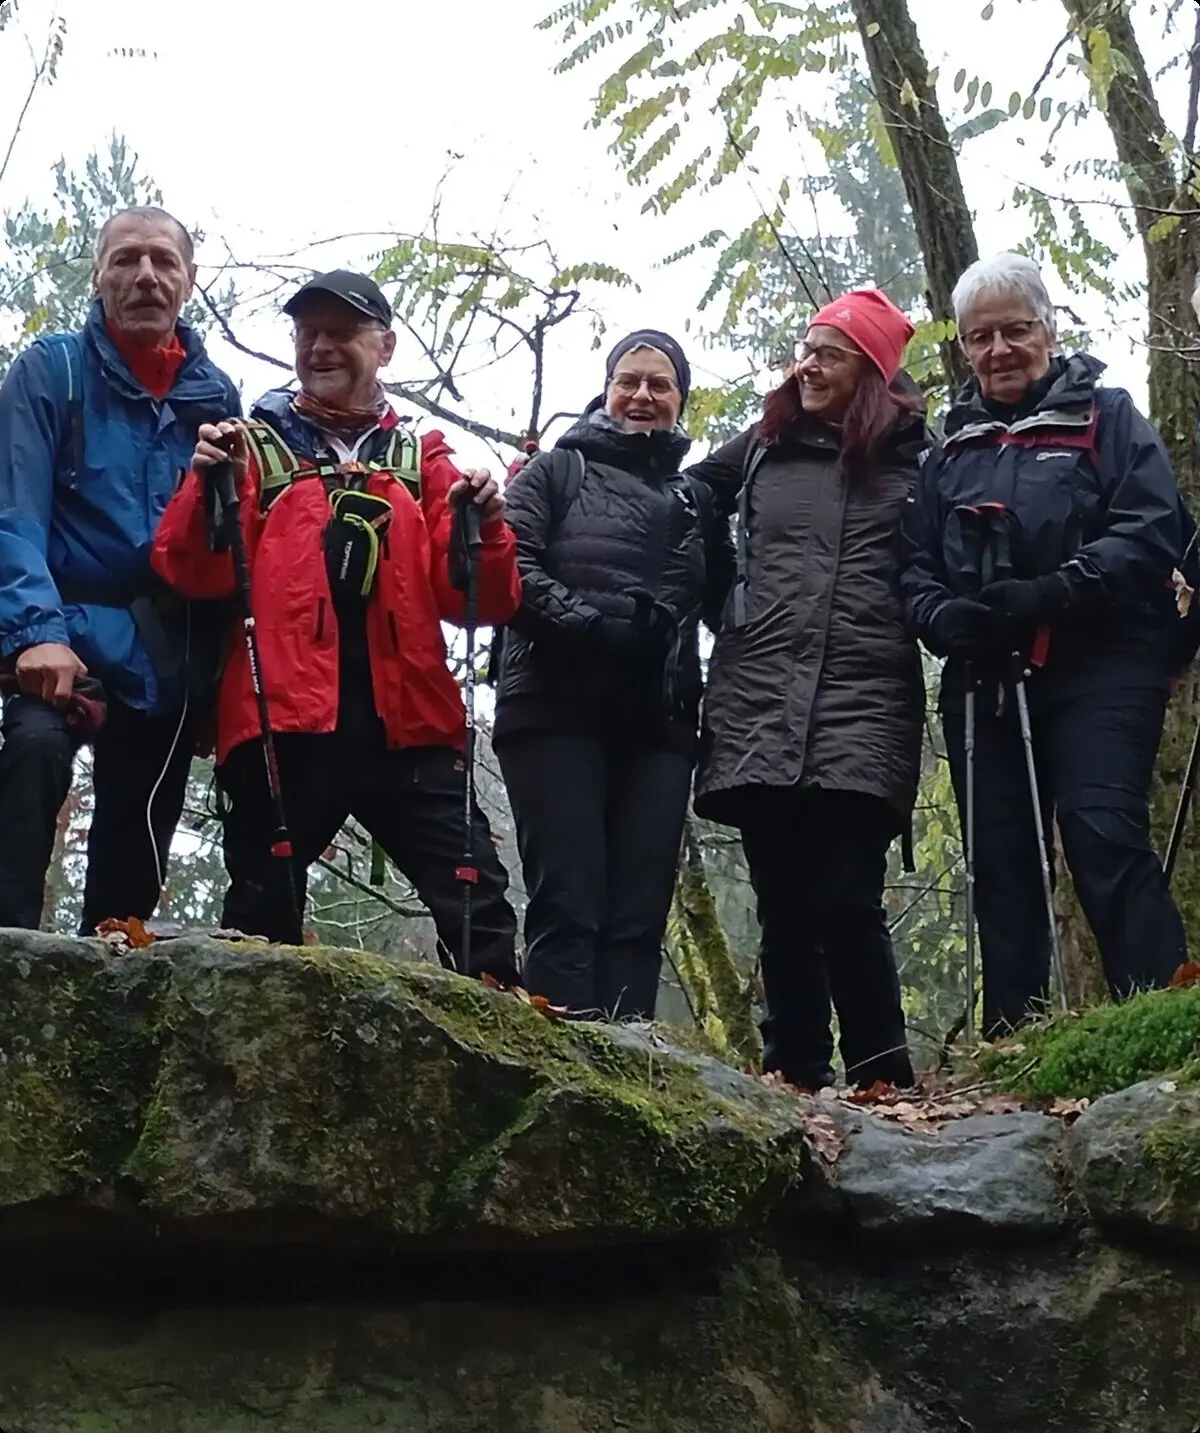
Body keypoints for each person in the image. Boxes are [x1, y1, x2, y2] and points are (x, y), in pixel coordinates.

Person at [151, 269, 522, 980]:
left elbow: (481, 599)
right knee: (261, 922)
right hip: (283, 727)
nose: (319, 347)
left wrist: (489, 524)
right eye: (307, 333)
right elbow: (191, 570)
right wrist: (206, 487)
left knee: (479, 911)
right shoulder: (249, 448)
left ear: (384, 347)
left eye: (340, 333)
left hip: (412, 728)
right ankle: (254, 1052)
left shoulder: (423, 457)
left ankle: (495, 1043)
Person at [902, 251, 1189, 1037]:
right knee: (1000, 862)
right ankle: (1016, 1043)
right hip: (985, 674)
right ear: (963, 346)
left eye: (1015, 330)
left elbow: (1152, 528)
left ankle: (1161, 1026)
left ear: (1049, 330)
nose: (999, 350)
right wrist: (942, 616)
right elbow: (913, 565)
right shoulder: (948, 449)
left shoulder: (1108, 417)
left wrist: (1056, 589)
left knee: (1103, 833)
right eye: (980, 336)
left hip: (1104, 662)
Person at [687, 290, 926, 1092]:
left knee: (847, 897)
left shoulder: (915, 459)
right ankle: (794, 1073)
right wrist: (726, 598)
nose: (808, 366)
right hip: (759, 697)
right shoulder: (764, 444)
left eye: (829, 353)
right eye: (805, 350)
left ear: (871, 370)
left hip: (865, 701)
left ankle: (882, 1073)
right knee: (782, 901)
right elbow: (686, 498)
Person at [0, 205, 240, 934]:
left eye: (163, 261)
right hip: (61, 634)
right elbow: (13, 510)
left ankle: (108, 979)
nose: (145, 276)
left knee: (133, 862)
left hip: (166, 655)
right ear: (99, 275)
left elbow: (228, 545)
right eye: (126, 259)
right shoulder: (53, 372)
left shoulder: (216, 397)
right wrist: (37, 633)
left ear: (188, 280)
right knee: (34, 755)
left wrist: (217, 680)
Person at [494, 330, 732, 1019]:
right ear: (606, 391)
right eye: (629, 381)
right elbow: (510, 568)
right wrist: (593, 628)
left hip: (658, 723)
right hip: (552, 709)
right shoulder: (555, 472)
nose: (642, 396)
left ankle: (631, 1062)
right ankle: (562, 1061)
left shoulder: (694, 499)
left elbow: (725, 602)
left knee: (638, 915)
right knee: (568, 901)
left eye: (660, 384)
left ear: (680, 399)